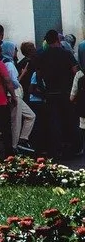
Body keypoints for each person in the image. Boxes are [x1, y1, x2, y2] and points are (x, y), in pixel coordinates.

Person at [32, 28, 77, 159]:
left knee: (53, 121)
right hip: (66, 92)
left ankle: (55, 148)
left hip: (50, 93)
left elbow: (38, 75)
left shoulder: (42, 55)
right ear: (58, 39)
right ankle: (70, 146)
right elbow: (75, 72)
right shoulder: (66, 54)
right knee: (68, 119)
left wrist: (43, 90)